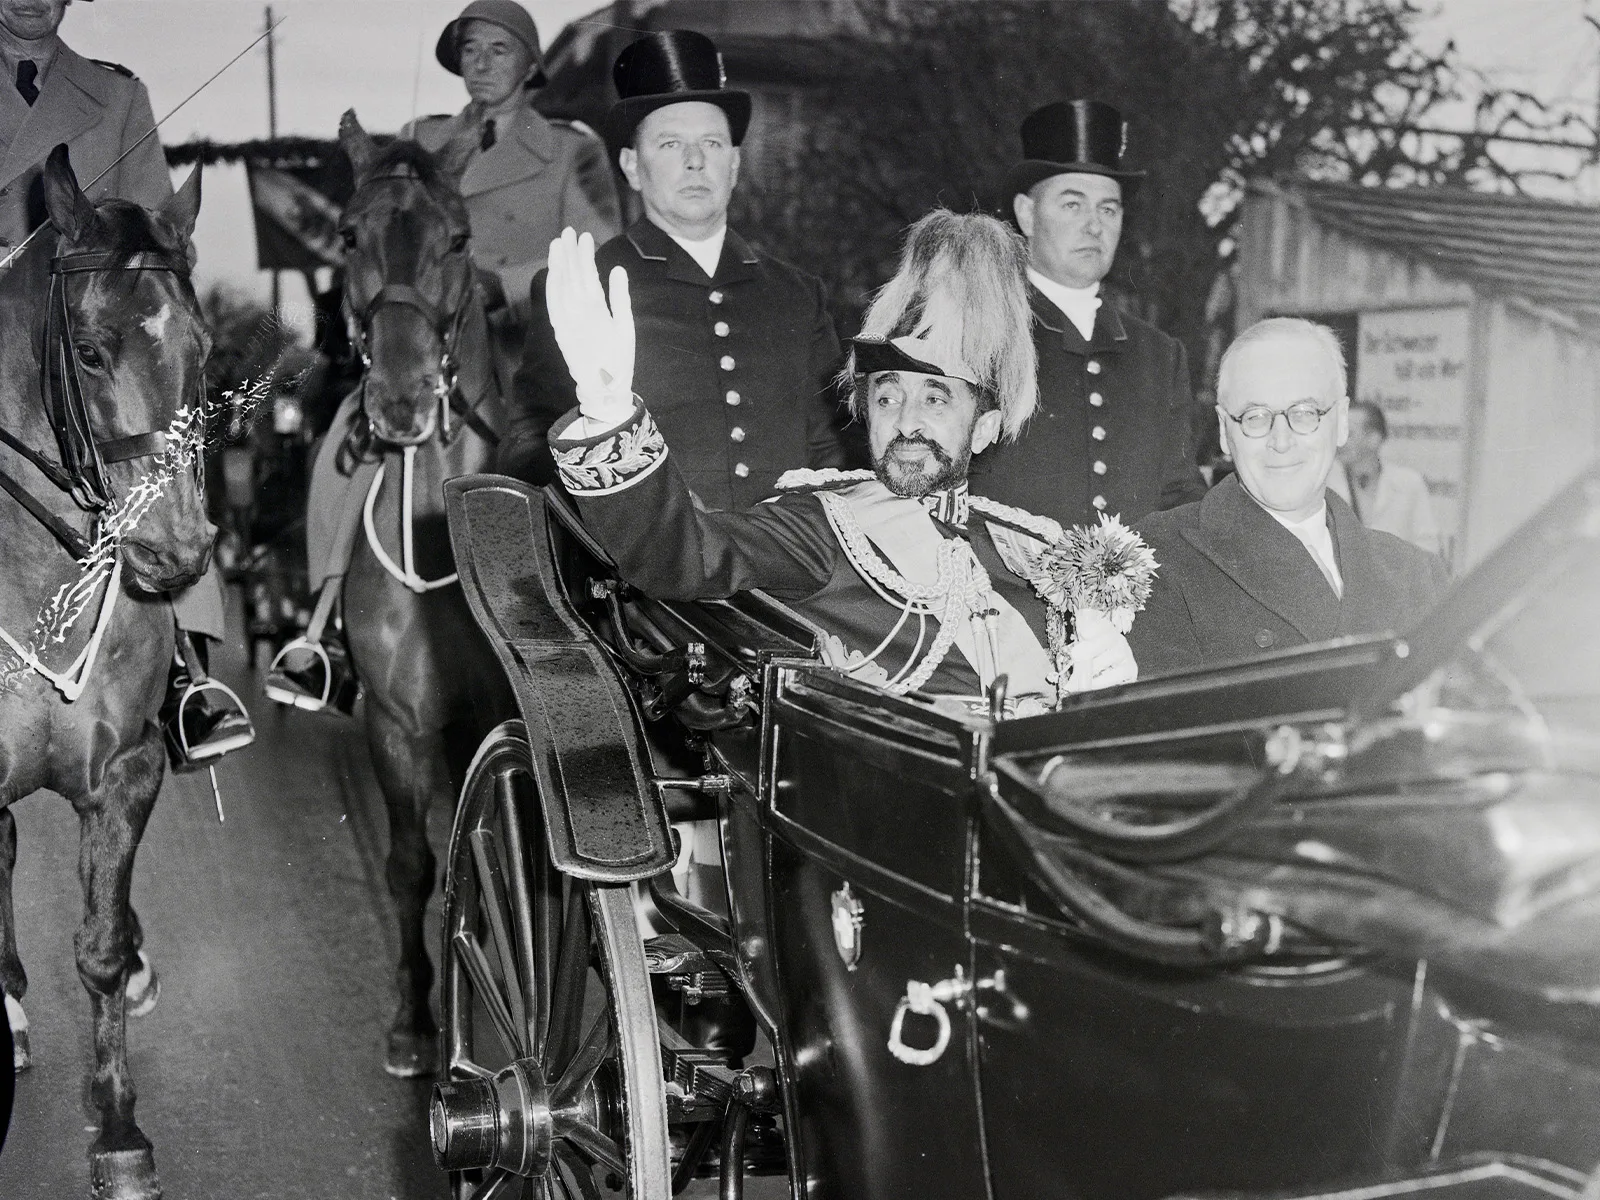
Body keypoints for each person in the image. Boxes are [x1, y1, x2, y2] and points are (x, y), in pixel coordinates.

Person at [541, 212, 1138, 711]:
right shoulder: (822, 525)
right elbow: (684, 554)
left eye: (935, 398)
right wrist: (609, 408)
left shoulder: (1032, 547)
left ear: (983, 427)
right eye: (886, 396)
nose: (905, 420)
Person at [0, 0, 251, 763]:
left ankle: (184, 675)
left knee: (161, 429)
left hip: (82, 325)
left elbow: (155, 234)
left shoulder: (117, 96)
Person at [501, 29, 851, 511]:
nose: (694, 161)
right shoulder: (581, 287)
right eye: (669, 144)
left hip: (789, 569)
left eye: (711, 142)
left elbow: (832, 448)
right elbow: (529, 446)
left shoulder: (797, 294)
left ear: (733, 164)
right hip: (639, 576)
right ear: (631, 166)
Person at [1128, 319, 1449, 676]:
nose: (1281, 441)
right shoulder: (1155, 560)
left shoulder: (1416, 576)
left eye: (1305, 413)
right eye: (1255, 416)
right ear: (1223, 431)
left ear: (1341, 421)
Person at [968, 99, 1204, 529]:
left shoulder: (1159, 354)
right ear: (1027, 213)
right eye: (1073, 204)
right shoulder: (980, 334)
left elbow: (1180, 500)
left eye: (1108, 209)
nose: (1094, 225)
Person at [405, 0, 620, 383]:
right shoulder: (420, 141)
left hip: (526, 354)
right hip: (422, 348)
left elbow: (600, 256)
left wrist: (505, 286)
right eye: (470, 49)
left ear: (532, 66)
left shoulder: (571, 150)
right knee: (342, 432)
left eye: (499, 49)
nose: (481, 63)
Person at [1330, 400, 1443, 556]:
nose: (1339, 442)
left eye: (1348, 434)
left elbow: (1428, 546)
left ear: (1374, 439)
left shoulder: (1409, 483)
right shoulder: (1323, 484)